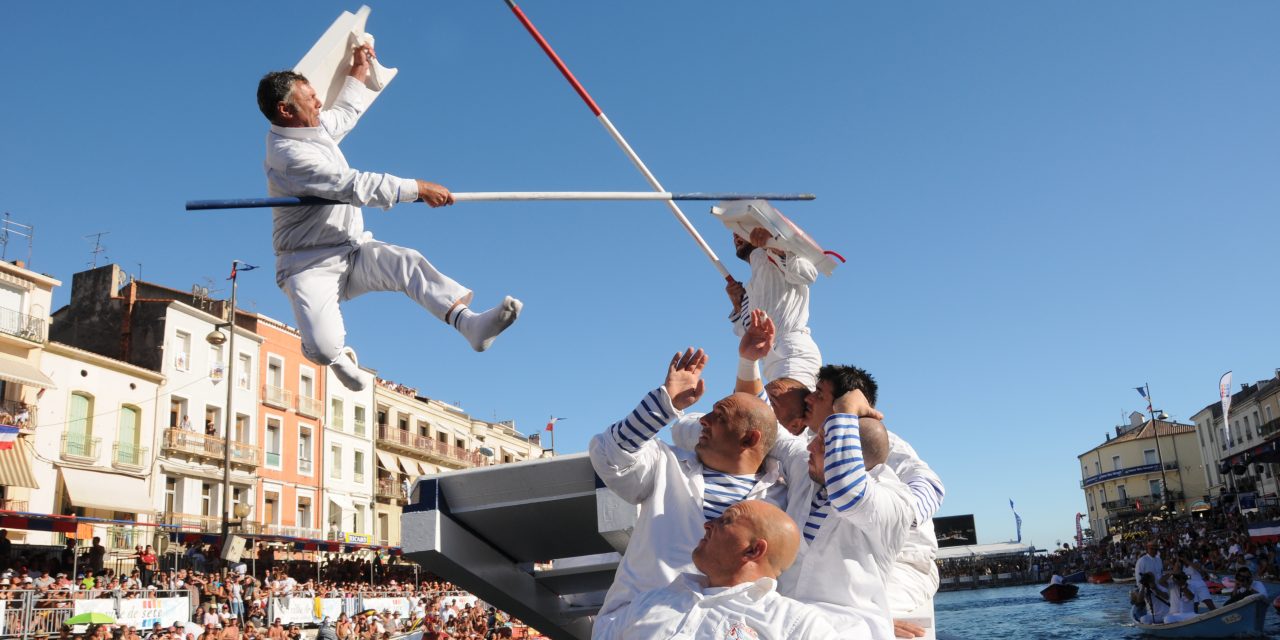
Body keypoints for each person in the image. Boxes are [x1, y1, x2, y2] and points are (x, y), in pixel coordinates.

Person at [256, 44, 521, 393]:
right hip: (307, 264)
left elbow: (346, 113)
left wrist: (359, 68)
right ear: (285, 110)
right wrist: (418, 188)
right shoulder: (288, 156)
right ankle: (336, 359)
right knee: (322, 347)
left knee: (405, 263)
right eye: (311, 98)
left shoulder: (312, 126)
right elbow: (353, 186)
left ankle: (468, 324)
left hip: (351, 248)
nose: (319, 103)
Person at [588, 348, 792, 633]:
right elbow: (608, 456)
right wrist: (664, 403)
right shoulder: (665, 463)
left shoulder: (782, 497)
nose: (703, 420)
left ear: (750, 437)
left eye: (719, 417)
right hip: (638, 626)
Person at [787, 365, 915, 640]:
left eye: (823, 442)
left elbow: (848, 494)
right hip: (789, 626)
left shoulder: (892, 502)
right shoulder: (804, 474)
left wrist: (845, 411)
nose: (809, 447)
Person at [596, 500, 837, 639]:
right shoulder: (648, 603)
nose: (708, 524)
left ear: (753, 550)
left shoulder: (797, 624)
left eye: (726, 521)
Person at [726, 227, 820, 389]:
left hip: (791, 352)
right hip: (770, 362)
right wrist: (738, 306)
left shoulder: (776, 255)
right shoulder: (749, 289)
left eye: (740, 228)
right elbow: (748, 336)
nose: (735, 235)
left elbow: (809, 274)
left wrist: (776, 246)